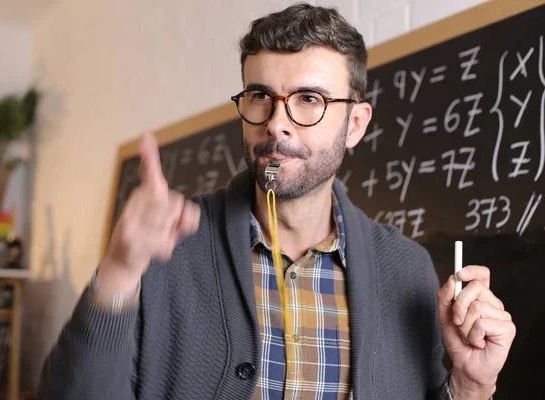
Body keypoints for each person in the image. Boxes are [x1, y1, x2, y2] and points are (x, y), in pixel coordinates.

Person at [38, 3, 515, 399]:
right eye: (260, 95)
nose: (276, 123)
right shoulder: (166, 249)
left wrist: (472, 385)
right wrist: (119, 270)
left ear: (355, 124)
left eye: (309, 99)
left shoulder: (407, 269)